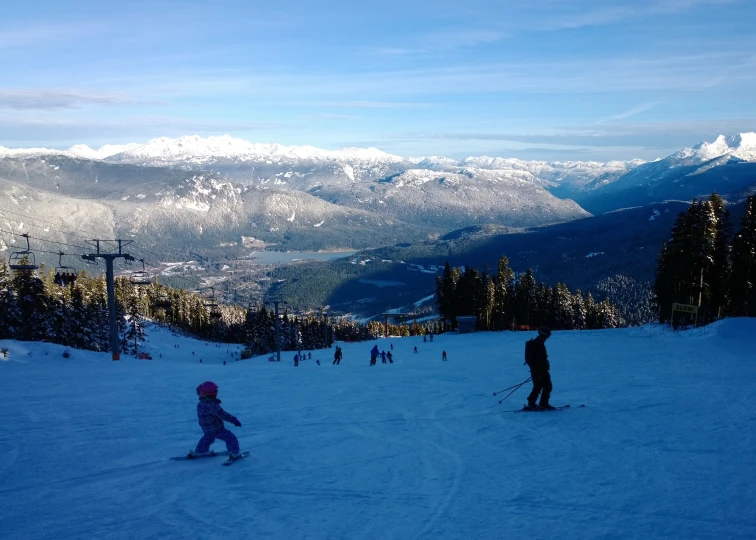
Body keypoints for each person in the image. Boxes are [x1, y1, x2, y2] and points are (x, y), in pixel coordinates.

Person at [193, 381, 242, 458]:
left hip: (206, 429)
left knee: (207, 439)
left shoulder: (200, 404)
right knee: (231, 438)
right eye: (216, 391)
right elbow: (222, 414)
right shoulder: (212, 405)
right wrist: (233, 420)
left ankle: (201, 451)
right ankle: (234, 453)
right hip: (217, 429)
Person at [524, 327, 554, 410]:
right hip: (538, 370)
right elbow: (534, 359)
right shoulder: (536, 344)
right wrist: (538, 369)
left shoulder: (539, 343)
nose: (548, 338)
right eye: (547, 336)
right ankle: (531, 404)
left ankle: (543, 404)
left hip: (542, 369)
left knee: (547, 386)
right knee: (538, 386)